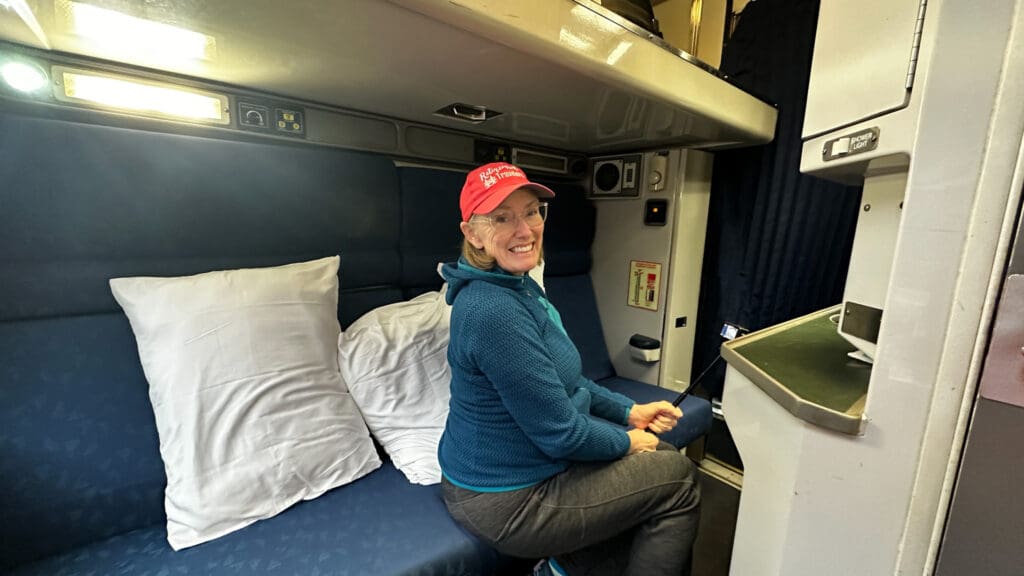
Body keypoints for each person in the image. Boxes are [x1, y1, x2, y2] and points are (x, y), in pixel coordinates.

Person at [438, 162, 701, 576]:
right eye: (501, 218)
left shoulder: (521, 287)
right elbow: (561, 433)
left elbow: (567, 381)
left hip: (530, 471)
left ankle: (568, 567)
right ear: (473, 234)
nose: (524, 230)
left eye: (531, 211)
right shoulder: (493, 310)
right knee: (678, 480)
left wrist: (629, 413)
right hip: (508, 499)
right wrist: (628, 442)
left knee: (661, 458)